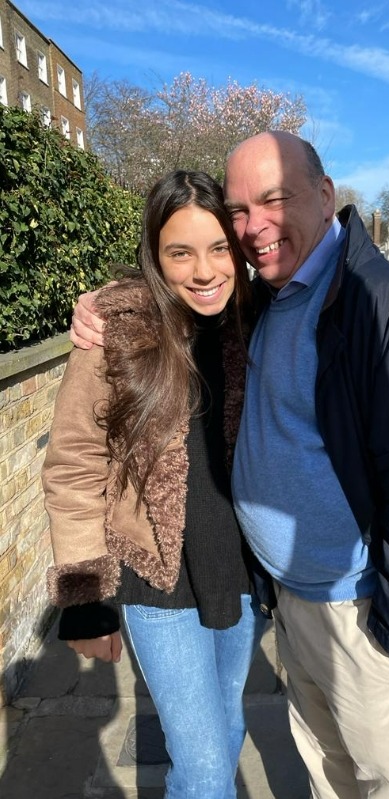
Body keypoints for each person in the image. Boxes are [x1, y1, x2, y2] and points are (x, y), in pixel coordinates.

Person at [71, 132, 389, 799]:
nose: (254, 227)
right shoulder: (267, 299)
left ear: (323, 195)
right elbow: (82, 458)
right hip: (284, 601)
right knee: (324, 769)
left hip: (362, 612)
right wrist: (101, 302)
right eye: (240, 210)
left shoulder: (383, 309)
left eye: (274, 199)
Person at [43, 170, 269, 799]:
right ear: (155, 254)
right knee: (201, 771)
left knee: (226, 734)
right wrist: (85, 599)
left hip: (241, 575)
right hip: (158, 581)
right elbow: (73, 464)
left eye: (219, 248)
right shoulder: (117, 331)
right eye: (180, 252)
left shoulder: (259, 321)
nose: (204, 271)